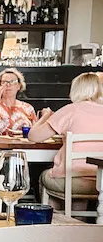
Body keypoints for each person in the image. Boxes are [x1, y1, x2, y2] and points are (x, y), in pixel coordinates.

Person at [28, 71, 103, 202]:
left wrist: (46, 116)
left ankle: (55, 218)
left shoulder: (71, 109)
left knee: (45, 177)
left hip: (71, 179)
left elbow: (33, 136)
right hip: (100, 181)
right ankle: (78, 220)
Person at [0, 68, 38, 135]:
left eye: (12, 82)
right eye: (4, 82)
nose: (8, 85)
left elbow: (36, 132)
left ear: (19, 86)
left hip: (23, 145)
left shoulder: (28, 108)